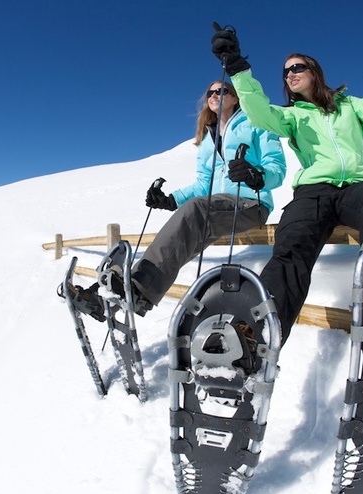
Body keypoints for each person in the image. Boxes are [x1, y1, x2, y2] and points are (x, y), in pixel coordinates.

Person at [210, 26, 363, 342]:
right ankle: (254, 334)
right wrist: (238, 67)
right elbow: (258, 113)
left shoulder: (349, 106)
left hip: (356, 187)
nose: (290, 75)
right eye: (285, 72)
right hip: (313, 193)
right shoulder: (292, 116)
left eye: (297, 67)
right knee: (291, 249)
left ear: (315, 72)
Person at [69, 80, 287, 321]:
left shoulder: (255, 124)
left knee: (194, 210)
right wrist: (169, 200)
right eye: (210, 92)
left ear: (235, 98)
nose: (215, 95)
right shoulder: (208, 140)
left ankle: (136, 287)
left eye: (222, 91)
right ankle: (111, 301)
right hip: (216, 207)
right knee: (181, 244)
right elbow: (203, 185)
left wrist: (255, 175)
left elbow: (276, 167)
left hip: (250, 204)